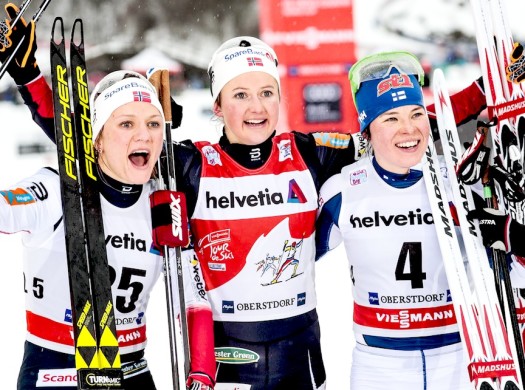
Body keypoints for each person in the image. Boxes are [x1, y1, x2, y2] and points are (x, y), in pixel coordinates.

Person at [1, 7, 488, 385]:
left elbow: (397, 126)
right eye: (240, 94)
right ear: (216, 105)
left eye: (267, 92)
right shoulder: (188, 164)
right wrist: (31, 79)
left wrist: (486, 92)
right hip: (230, 357)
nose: (256, 106)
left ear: (280, 97)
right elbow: (98, 145)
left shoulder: (311, 153)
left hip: (301, 354)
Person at [0, 8, 216, 388]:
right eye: (126, 124)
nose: (144, 136)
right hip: (57, 373)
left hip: (133, 373)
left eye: (152, 124)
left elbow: (193, 298)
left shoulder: (164, 203)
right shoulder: (53, 190)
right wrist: (29, 78)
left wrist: (201, 371)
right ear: (96, 139)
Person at [314, 50, 506, 389]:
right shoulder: (342, 189)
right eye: (390, 118)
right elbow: (289, 263)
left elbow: (511, 266)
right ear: (367, 128)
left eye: (416, 114)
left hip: (460, 358)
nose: (408, 129)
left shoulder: (460, 181)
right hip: (378, 365)